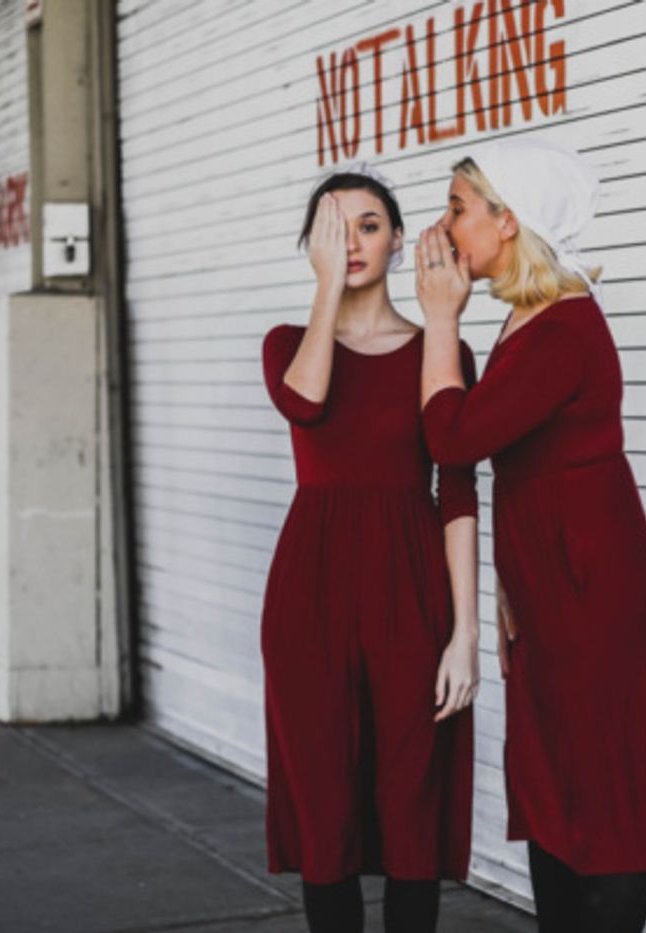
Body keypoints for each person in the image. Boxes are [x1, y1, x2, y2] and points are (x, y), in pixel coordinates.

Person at [413, 137, 646, 933]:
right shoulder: (530, 319)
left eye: (458, 208)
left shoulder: (563, 328)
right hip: (552, 578)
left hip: (593, 586)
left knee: (601, 792)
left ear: (509, 220)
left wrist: (438, 318)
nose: (444, 225)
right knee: (555, 785)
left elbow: (453, 438)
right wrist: (507, 584)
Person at [259, 164, 480, 933]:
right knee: (326, 813)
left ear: (396, 240)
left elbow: (456, 490)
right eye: (332, 226)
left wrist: (467, 630)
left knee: (411, 804)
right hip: (309, 591)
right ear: (311, 245)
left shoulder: (440, 345)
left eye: (368, 224)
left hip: (410, 583)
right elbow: (306, 401)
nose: (351, 241)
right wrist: (328, 292)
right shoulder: (289, 343)